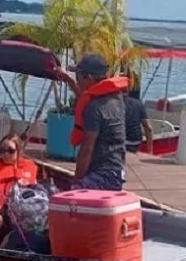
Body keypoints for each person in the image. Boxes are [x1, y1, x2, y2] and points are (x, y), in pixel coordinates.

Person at [55, 54, 130, 190]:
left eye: (78, 77)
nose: (76, 81)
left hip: (102, 175)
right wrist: (69, 80)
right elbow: (86, 96)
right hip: (116, 171)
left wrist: (76, 183)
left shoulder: (94, 108)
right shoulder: (116, 98)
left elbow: (86, 150)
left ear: (89, 78)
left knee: (69, 197)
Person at [124, 89, 154, 154]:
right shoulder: (139, 103)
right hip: (136, 140)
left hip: (122, 140)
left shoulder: (116, 105)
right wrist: (150, 151)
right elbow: (149, 128)